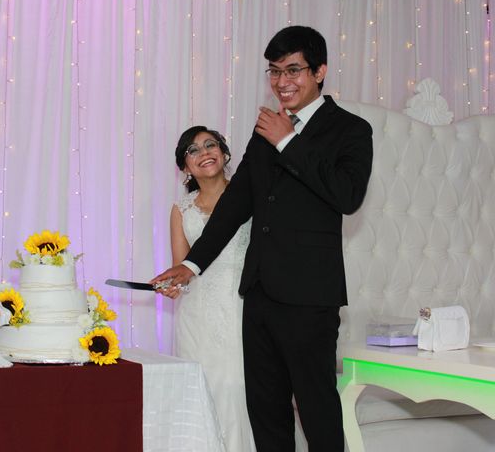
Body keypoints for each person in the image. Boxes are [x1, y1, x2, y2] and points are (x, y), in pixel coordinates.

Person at [152, 25, 373, 451]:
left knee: (317, 412)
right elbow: (236, 204)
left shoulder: (350, 129)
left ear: (320, 71)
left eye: (293, 70)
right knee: (266, 414)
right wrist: (191, 263)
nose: (282, 82)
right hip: (258, 294)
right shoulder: (266, 129)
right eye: (274, 71)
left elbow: (347, 196)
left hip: (310, 297)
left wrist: (288, 141)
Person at [169, 126, 255, 452]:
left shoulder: (250, 196)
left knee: (237, 387)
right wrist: (171, 286)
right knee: (200, 390)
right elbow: (182, 267)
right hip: (196, 318)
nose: (204, 152)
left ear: (224, 153)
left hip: (240, 308)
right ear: (185, 167)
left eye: (210, 145)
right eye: (193, 150)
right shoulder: (181, 209)